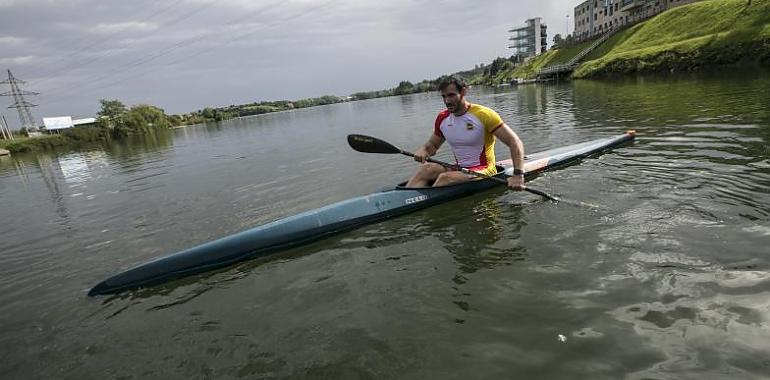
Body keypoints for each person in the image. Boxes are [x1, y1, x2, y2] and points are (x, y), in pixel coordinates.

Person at [405, 76, 526, 191]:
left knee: (445, 178)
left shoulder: (484, 115)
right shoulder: (442, 118)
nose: (447, 101)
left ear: (463, 92)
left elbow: (514, 142)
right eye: (444, 96)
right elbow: (433, 145)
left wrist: (518, 175)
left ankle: (423, 204)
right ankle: (407, 198)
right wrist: (424, 150)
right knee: (426, 169)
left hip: (485, 169)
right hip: (460, 168)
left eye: (451, 95)